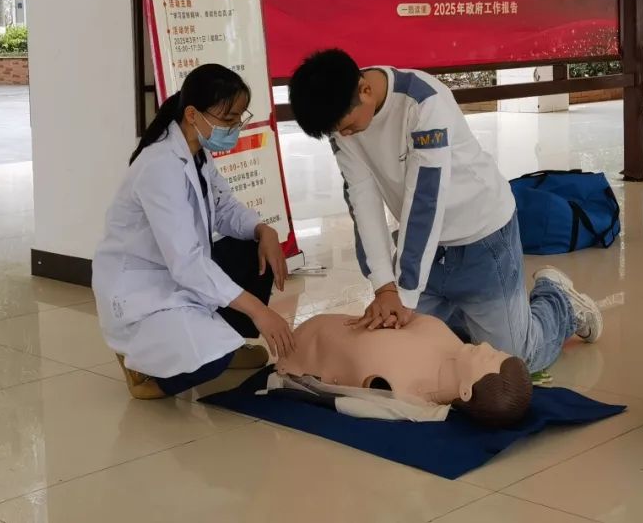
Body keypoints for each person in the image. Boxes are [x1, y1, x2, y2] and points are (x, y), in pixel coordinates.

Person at [287, 49, 602, 374]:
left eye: (349, 127)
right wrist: (384, 286)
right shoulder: (342, 118)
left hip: (482, 239)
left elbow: (425, 200)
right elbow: (362, 200)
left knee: (510, 362)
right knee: (417, 352)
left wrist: (405, 294)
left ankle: (559, 300)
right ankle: (465, 312)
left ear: (365, 90)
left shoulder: (424, 102)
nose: (346, 136)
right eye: (338, 133)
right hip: (426, 252)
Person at [93, 64, 294, 400]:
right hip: (142, 289)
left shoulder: (197, 154)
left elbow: (225, 208)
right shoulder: (159, 166)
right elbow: (186, 264)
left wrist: (263, 230)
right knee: (212, 359)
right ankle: (146, 374)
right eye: (227, 120)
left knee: (252, 248)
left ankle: (228, 336)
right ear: (192, 114)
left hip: (178, 274)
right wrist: (260, 312)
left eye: (238, 119)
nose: (234, 128)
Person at [276, 312, 532, 427]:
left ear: (466, 392)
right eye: (496, 351)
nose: (485, 345)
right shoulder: (454, 345)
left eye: (488, 358)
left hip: (304, 349)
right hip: (320, 330)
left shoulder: (408, 390)